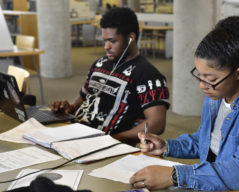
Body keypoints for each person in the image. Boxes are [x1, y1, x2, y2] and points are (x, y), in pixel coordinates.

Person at [129, 16, 239, 192]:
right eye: (199, 75)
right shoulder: (216, 96)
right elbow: (207, 140)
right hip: (220, 191)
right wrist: (167, 146)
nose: (203, 85)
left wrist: (174, 175)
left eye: (211, 79)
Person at [49, 7, 169, 145]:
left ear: (131, 38)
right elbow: (83, 97)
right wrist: (69, 107)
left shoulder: (148, 75)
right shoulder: (100, 64)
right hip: (76, 133)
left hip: (106, 145)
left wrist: (114, 139)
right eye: (104, 40)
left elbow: (157, 123)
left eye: (112, 41)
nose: (106, 46)